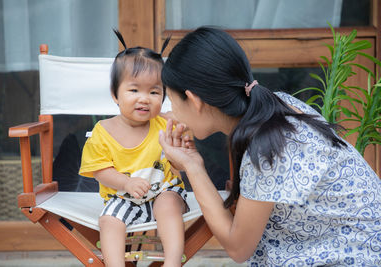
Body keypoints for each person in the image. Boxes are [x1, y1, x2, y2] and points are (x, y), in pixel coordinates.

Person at [158, 27, 381, 266]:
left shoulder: (266, 149)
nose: (172, 112)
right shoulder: (275, 106)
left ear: (194, 100)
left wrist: (192, 166)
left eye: (172, 101)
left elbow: (238, 248)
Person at [79, 30, 187, 267]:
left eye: (154, 92)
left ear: (163, 96)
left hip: (163, 190)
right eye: (134, 90)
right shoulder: (103, 131)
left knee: (169, 206)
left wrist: (181, 137)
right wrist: (126, 183)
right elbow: (100, 170)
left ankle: (172, 262)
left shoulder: (165, 125)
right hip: (123, 195)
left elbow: (179, 162)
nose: (144, 98)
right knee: (108, 220)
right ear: (114, 94)